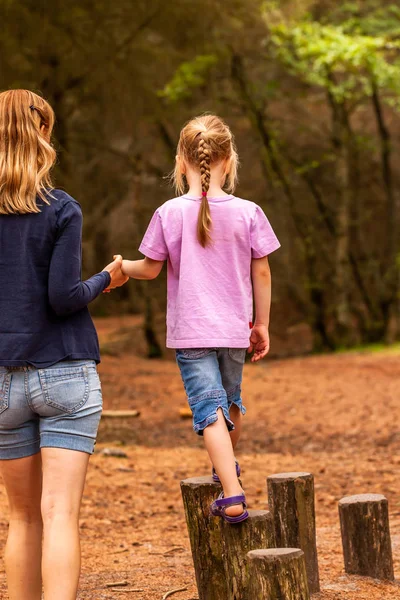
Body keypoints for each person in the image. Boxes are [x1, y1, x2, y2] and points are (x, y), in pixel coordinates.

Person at [119, 114, 280, 523]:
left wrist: (121, 267)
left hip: (192, 332)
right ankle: (227, 469)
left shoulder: (169, 212)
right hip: (233, 328)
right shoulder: (249, 211)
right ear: (229, 160)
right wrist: (261, 323)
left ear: (180, 161)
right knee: (230, 403)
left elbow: (150, 268)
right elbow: (261, 271)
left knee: (208, 409)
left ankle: (231, 492)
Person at [0, 89, 127, 600]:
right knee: (59, 514)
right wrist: (106, 279)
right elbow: (63, 297)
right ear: (44, 133)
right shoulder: (61, 208)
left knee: (21, 517)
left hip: (3, 382)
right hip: (65, 375)